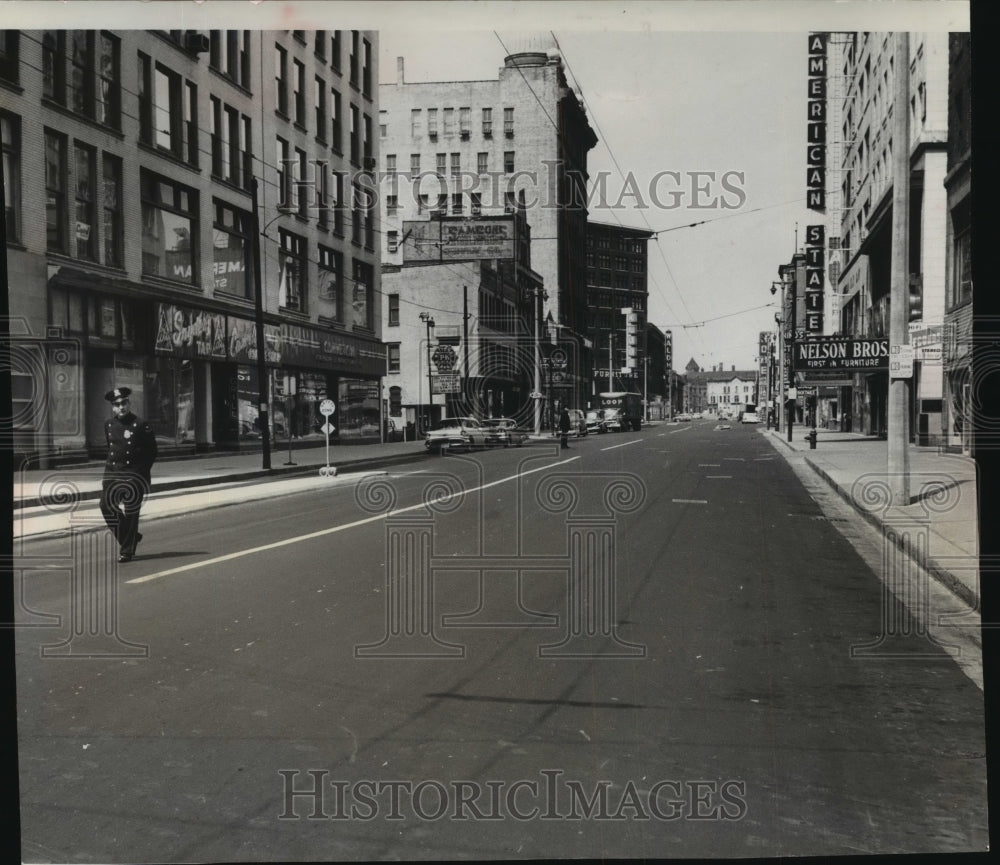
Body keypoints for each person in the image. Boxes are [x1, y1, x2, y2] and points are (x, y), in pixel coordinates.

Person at [99, 387, 158, 563]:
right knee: (106, 506)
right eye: (117, 404)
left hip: (133, 474)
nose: (121, 407)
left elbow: (152, 451)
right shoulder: (109, 424)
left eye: (124, 403)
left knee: (131, 512)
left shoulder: (141, 424)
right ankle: (131, 537)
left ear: (129, 403)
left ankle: (127, 550)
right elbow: (112, 448)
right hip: (112, 473)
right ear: (113, 407)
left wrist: (141, 473)